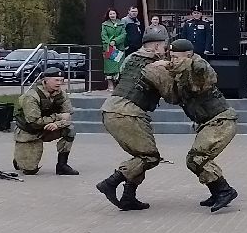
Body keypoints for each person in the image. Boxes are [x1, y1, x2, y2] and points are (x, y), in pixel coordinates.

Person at [96, 28, 174, 211]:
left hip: (111, 108)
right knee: (150, 157)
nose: (166, 51)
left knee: (140, 157)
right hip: (128, 112)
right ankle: (110, 182)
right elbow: (171, 94)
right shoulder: (155, 65)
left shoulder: (131, 58)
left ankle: (128, 197)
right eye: (165, 47)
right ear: (157, 46)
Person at [167, 39, 239, 211]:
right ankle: (216, 192)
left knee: (197, 158)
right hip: (208, 122)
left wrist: (177, 65)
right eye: (171, 57)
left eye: (176, 57)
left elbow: (201, 69)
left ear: (188, 55)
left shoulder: (198, 66)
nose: (173, 61)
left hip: (220, 121)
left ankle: (225, 191)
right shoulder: (180, 73)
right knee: (195, 160)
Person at [12, 65, 77, 176]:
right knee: (30, 171)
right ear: (45, 81)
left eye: (61, 80)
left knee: (70, 130)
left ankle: (62, 165)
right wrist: (58, 118)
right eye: (56, 80)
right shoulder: (32, 96)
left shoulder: (62, 95)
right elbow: (34, 122)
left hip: (47, 129)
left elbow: (68, 116)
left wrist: (57, 124)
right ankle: (19, 159)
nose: (59, 83)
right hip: (29, 133)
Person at [100, 8, 127, 92]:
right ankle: (110, 85)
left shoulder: (121, 23)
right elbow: (104, 36)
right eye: (110, 14)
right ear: (108, 15)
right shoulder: (105, 24)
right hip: (109, 49)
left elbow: (123, 34)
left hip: (119, 48)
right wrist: (110, 43)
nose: (112, 15)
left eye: (113, 13)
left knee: (120, 67)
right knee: (109, 68)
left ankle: (119, 86)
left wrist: (115, 41)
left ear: (116, 14)